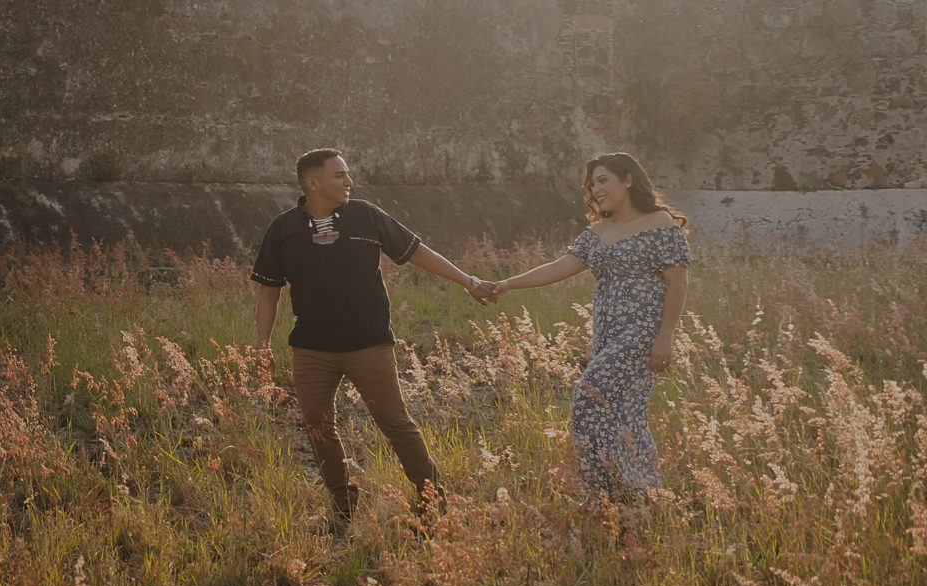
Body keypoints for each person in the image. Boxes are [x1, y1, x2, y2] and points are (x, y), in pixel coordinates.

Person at [252, 147, 489, 531]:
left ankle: (433, 501)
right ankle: (343, 504)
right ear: (313, 183)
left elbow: (417, 252)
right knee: (316, 425)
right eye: (339, 175)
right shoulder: (283, 229)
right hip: (311, 348)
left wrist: (469, 282)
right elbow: (268, 293)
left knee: (395, 423)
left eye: (347, 174)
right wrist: (262, 348)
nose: (348, 181)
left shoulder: (366, 215)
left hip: (369, 343)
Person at [485, 152, 692, 502]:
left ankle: (603, 489)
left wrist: (665, 336)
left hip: (642, 333)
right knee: (625, 411)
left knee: (588, 395)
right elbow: (559, 266)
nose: (595, 189)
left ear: (628, 180)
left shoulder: (659, 222)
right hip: (607, 334)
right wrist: (508, 283)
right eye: (592, 183)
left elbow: (678, 282)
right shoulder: (597, 232)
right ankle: (636, 492)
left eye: (603, 180)